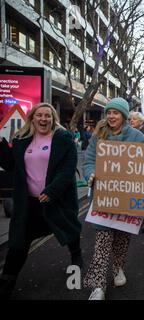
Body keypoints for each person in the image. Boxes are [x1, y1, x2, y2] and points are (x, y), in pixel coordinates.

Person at [0, 103, 82, 300]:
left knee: (68, 230)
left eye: (48, 116)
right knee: (18, 242)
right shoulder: (22, 140)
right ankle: (5, 285)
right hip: (28, 204)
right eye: (40, 116)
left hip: (56, 200)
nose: (44, 119)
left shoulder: (63, 139)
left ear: (53, 119)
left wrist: (52, 191)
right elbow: (11, 165)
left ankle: (76, 255)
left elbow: (67, 170)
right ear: (32, 119)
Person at [83, 98, 144, 300]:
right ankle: (97, 285)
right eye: (108, 112)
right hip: (104, 197)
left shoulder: (137, 136)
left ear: (124, 116)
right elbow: (89, 160)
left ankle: (118, 268)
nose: (111, 116)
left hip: (127, 197)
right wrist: (90, 174)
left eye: (115, 113)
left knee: (121, 238)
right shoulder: (98, 135)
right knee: (102, 241)